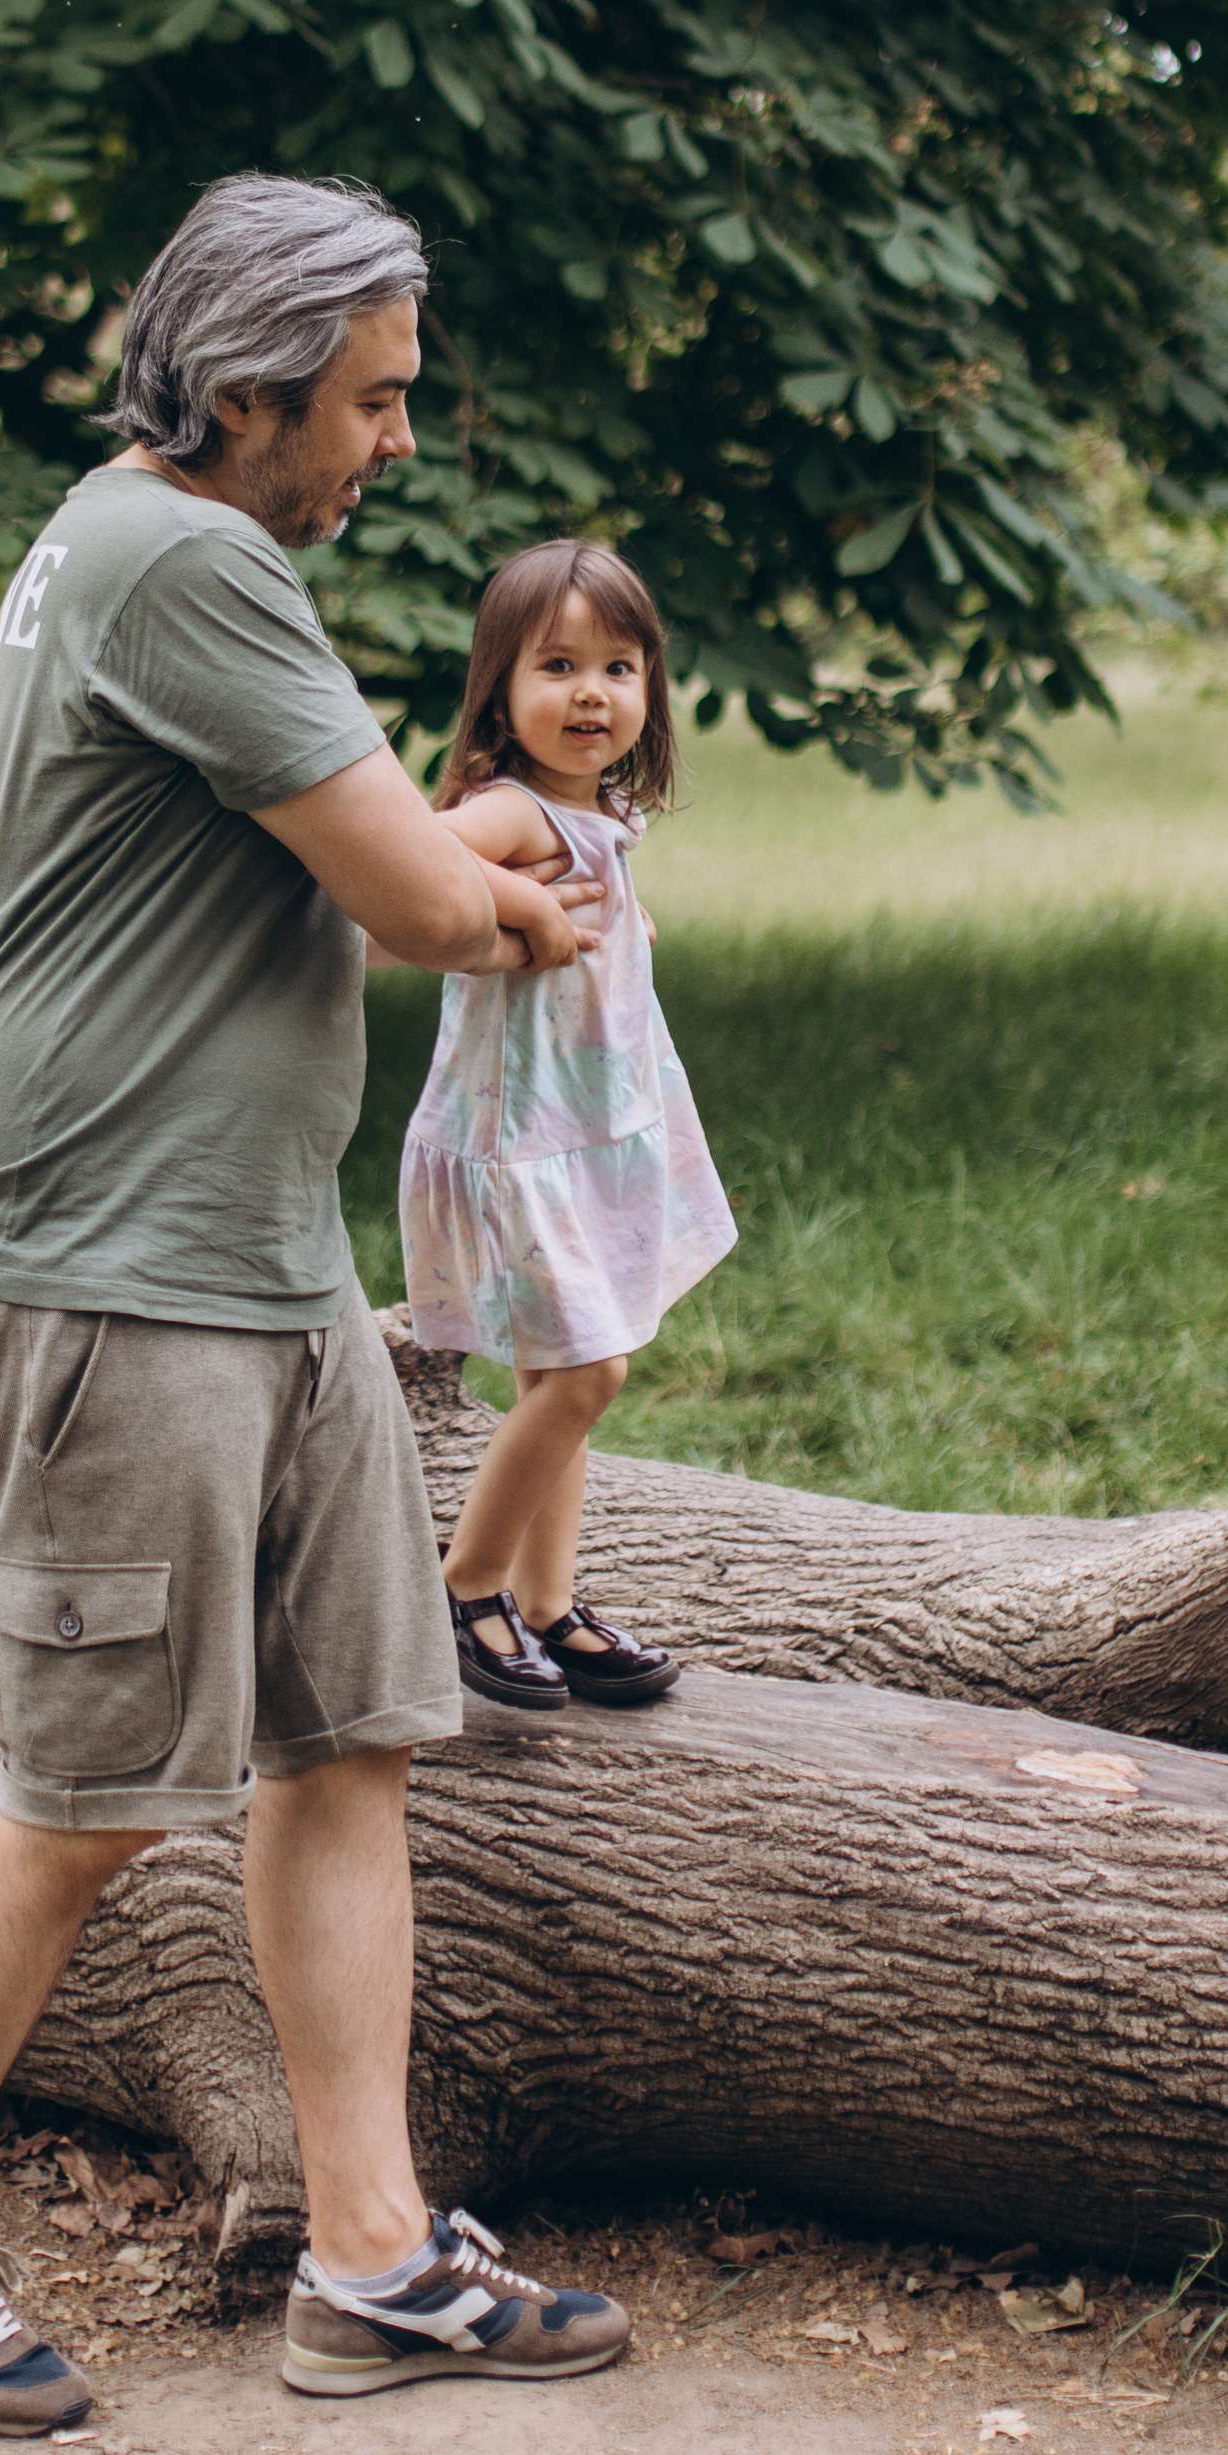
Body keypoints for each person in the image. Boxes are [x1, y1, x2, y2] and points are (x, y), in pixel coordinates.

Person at [0, 173, 634, 2439]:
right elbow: (411, 899)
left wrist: (472, 842)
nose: (394, 442)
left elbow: (357, 835)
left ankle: (368, 2258)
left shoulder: (144, 546)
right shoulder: (185, 559)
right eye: (370, 401)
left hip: (265, 1274)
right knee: (84, 1797)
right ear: (250, 389)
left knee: (346, 1742)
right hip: (105, 1281)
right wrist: (527, 899)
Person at [399, 542, 737, 1709]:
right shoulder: (508, 812)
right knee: (590, 1370)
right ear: (499, 686)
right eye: (556, 664)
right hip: (521, 1147)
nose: (591, 692)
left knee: (564, 1366)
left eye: (619, 666)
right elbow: (406, 866)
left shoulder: (605, 815)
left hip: (595, 1133)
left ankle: (548, 1605)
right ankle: (468, 1582)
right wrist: (524, 901)